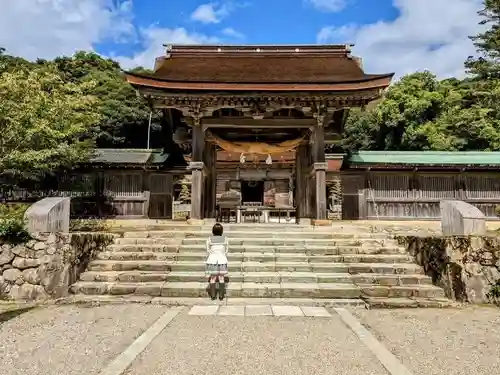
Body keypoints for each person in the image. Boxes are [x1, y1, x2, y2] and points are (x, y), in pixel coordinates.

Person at [205, 223, 229, 300]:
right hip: (222, 260)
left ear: (213, 231)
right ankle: (221, 295)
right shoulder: (225, 239)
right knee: (221, 278)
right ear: (221, 231)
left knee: (213, 278)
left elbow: (208, 250)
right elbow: (226, 251)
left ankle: (213, 295)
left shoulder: (209, 239)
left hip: (212, 260)